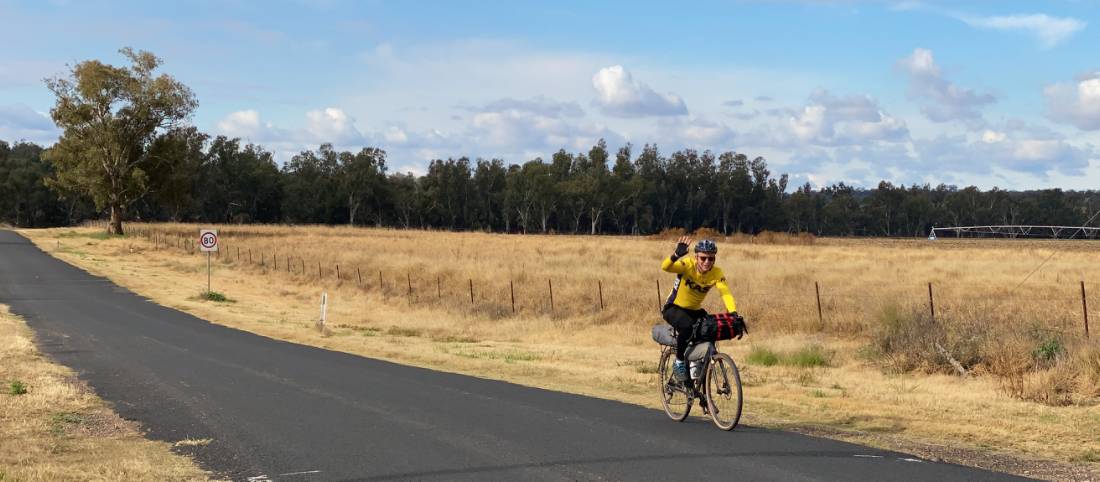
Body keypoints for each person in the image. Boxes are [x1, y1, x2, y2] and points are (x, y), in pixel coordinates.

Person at [660, 235, 739, 384]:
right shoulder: (687, 265)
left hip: (694, 310)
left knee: (710, 329)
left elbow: (725, 292)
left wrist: (733, 312)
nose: (707, 262)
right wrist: (676, 255)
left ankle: (697, 368)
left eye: (711, 259)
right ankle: (678, 362)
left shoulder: (716, 273)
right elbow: (665, 267)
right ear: (696, 257)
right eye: (703, 258)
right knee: (688, 327)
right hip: (674, 308)